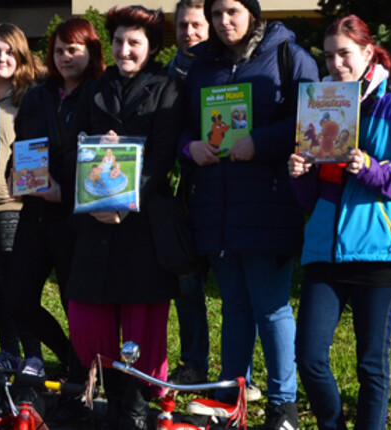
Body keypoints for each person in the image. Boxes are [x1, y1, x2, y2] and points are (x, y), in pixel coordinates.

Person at [290, 15, 391, 430]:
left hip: (381, 248)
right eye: (330, 55)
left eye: (345, 54)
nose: (337, 64)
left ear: (368, 53)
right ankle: (332, 424)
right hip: (325, 247)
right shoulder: (320, 104)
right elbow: (310, 199)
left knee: (371, 364)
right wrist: (300, 172)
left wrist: (372, 169)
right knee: (308, 355)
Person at [177, 0, 318, 427]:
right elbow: (181, 124)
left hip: (268, 203)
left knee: (271, 307)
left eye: (233, 12)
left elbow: (309, 119)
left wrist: (261, 142)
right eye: (217, 14)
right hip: (216, 206)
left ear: (252, 13)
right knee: (235, 305)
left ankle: (283, 404)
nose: (224, 22)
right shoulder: (200, 66)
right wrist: (190, 147)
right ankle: (229, 395)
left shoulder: (288, 56)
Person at [63, 6, 184, 430]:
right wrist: (96, 146)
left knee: (140, 321)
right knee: (90, 316)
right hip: (95, 223)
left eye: (134, 42)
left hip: (143, 223)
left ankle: (134, 407)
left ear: (150, 47)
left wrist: (125, 200)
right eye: (117, 42)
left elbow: (163, 154)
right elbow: (74, 147)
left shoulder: (167, 87)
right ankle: (110, 398)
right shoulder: (96, 89)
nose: (124, 50)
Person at [7, 16, 104, 384]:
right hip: (35, 213)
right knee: (17, 298)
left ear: (90, 50)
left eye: (73, 50)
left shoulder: (100, 94)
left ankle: (83, 376)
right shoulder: (37, 95)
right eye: (58, 50)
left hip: (76, 217)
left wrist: (65, 193)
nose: (64, 57)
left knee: (75, 303)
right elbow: (22, 148)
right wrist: (15, 178)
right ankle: (68, 355)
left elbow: (108, 162)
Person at [0, 23, 45, 372]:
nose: (1, 58)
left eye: (8, 51)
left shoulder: (31, 97)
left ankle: (34, 356)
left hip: (12, 205)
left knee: (15, 286)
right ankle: (9, 351)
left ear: (21, 55)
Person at [167, 2, 213, 387]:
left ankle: (238, 369)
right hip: (186, 189)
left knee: (235, 288)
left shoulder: (221, 66)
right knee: (187, 283)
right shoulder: (171, 71)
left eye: (197, 24)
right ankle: (194, 361)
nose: (189, 32)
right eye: (183, 25)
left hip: (230, 189)